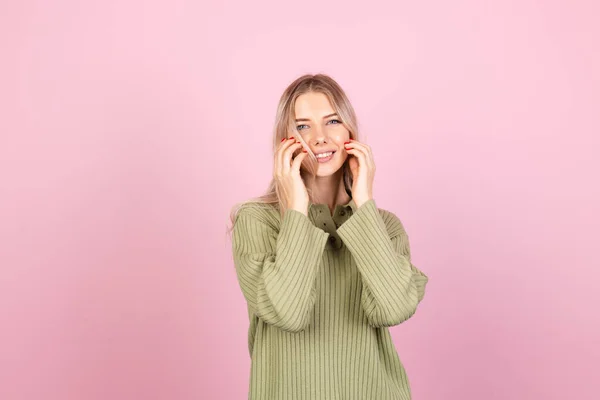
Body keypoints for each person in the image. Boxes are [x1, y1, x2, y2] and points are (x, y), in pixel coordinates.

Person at [228, 73, 429, 399]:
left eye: (332, 121)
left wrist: (364, 203)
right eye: (303, 126)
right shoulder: (258, 220)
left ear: (350, 131)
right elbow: (288, 313)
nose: (319, 138)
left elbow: (393, 308)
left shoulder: (385, 226)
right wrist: (296, 210)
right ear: (285, 141)